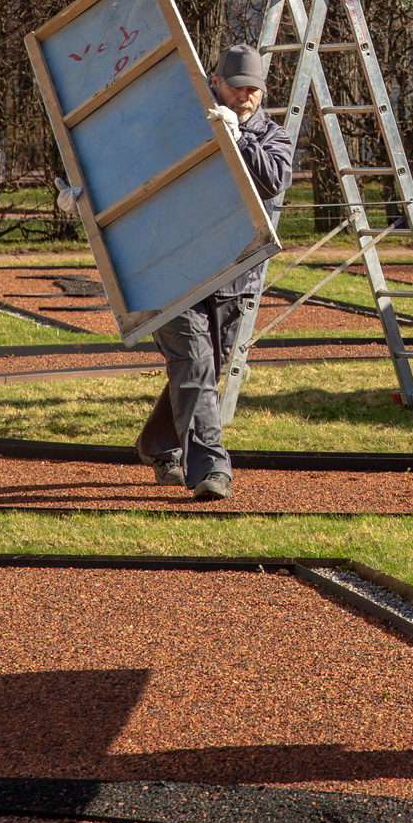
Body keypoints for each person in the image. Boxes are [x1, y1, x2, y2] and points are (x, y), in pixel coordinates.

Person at [136, 44, 293, 500]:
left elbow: (271, 182)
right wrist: (86, 201)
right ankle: (211, 468)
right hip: (170, 269)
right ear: (214, 83)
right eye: (237, 88)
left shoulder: (271, 136)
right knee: (194, 362)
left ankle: (158, 443)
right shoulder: (179, 123)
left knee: (204, 368)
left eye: (255, 91)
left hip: (231, 277)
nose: (246, 98)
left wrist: (238, 138)